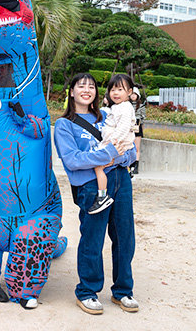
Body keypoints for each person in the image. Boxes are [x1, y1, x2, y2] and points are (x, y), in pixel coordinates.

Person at [54, 73, 138, 315]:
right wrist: (111, 154)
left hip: (121, 179)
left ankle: (123, 290)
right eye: (81, 86)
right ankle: (87, 291)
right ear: (71, 92)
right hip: (91, 185)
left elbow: (130, 151)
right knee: (93, 238)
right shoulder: (64, 125)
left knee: (125, 237)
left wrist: (118, 156)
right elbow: (72, 160)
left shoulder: (110, 116)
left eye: (91, 86)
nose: (87, 89)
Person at [89, 74, 136, 214]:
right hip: (113, 143)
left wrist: (111, 144)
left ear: (129, 92)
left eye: (120, 89)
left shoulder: (126, 108)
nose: (115, 93)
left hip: (116, 144)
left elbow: (123, 128)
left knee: (98, 166)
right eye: (113, 89)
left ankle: (102, 197)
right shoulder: (116, 107)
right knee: (98, 164)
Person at [129, 86, 146, 175]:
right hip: (128, 127)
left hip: (137, 127)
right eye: (132, 94)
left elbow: (143, 118)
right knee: (127, 146)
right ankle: (129, 165)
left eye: (135, 94)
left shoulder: (141, 106)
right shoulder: (126, 104)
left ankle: (136, 166)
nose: (133, 96)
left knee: (137, 147)